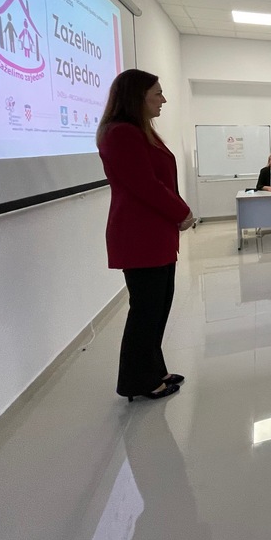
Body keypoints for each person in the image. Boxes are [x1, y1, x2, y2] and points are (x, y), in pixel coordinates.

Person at [96, 69, 194, 403]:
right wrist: (182, 212)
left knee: (158, 307)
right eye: (157, 93)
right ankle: (138, 381)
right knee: (146, 311)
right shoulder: (121, 134)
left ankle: (155, 370)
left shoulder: (140, 131)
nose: (163, 99)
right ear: (138, 97)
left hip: (155, 235)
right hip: (140, 236)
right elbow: (146, 185)